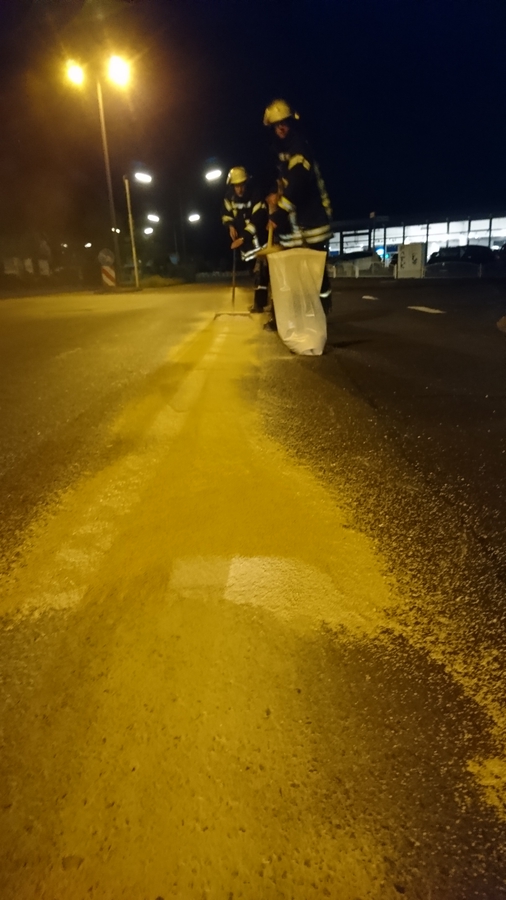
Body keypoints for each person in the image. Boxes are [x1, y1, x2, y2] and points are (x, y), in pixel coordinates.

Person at [263, 99, 333, 316]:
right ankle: (296, 317)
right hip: (297, 223)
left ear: (291, 123)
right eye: (277, 125)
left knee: (316, 272)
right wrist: (274, 194)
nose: (281, 128)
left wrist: (278, 215)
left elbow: (298, 183)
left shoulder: (299, 148)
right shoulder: (280, 151)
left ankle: (321, 314)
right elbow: (283, 182)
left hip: (312, 220)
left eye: (284, 123)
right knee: (295, 273)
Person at [221, 166, 270, 313]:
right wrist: (230, 226)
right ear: (232, 185)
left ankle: (259, 304)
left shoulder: (256, 195)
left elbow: (258, 220)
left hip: (260, 241)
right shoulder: (229, 197)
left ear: (246, 183)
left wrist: (242, 238)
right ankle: (260, 302)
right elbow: (226, 214)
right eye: (237, 186)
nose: (240, 189)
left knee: (261, 273)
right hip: (246, 246)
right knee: (254, 273)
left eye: (242, 185)